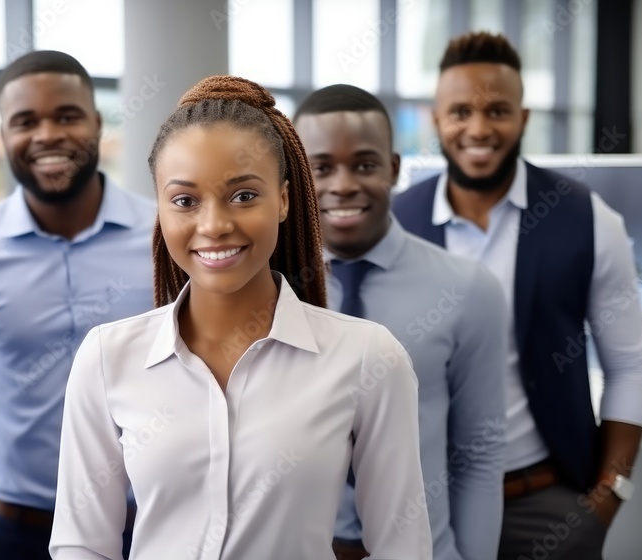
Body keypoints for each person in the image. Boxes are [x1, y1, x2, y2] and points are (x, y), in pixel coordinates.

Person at [49, 76, 432, 559]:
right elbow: (82, 544)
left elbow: (403, 546)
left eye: (244, 195)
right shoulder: (107, 357)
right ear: (160, 209)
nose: (214, 226)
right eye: (185, 201)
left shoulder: (367, 357)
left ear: (286, 200)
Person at [393, 31, 642, 560]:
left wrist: (608, 496)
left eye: (497, 110)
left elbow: (628, 365)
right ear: (437, 118)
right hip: (423, 505)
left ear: (524, 118)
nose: (478, 128)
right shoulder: (395, 225)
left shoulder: (588, 219)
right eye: (460, 110)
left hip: (545, 504)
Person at [0, 51, 155, 559]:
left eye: (67, 116)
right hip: (20, 533)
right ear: (4, 135)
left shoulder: (167, 238)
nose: (48, 134)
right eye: (26, 121)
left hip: (154, 528)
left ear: (97, 124)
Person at [294, 84, 508, 560]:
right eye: (322, 167)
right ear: (295, 176)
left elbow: (479, 451)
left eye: (365, 165)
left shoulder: (469, 289)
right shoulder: (265, 290)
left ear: (393, 168)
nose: (344, 184)